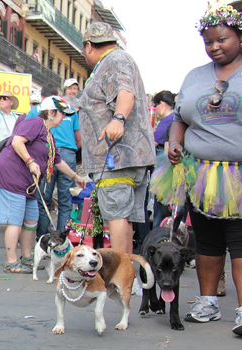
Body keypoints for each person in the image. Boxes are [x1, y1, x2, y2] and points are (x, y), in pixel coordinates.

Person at [151, 3, 242, 337]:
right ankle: (207, 303)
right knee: (207, 241)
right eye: (208, 41)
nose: (214, 46)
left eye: (222, 39)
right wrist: (174, 144)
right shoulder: (196, 75)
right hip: (199, 173)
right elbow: (180, 118)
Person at [78, 21, 155, 254]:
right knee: (123, 218)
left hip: (117, 158)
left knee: (118, 216)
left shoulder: (114, 60)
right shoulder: (116, 60)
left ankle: (118, 279)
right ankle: (125, 278)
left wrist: (118, 118)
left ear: (89, 46)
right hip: (124, 158)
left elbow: (124, 92)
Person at [0, 96, 84, 273]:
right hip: (12, 177)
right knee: (15, 221)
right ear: (51, 113)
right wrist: (30, 161)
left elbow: (57, 161)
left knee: (31, 220)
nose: (64, 117)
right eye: (62, 113)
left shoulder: (49, 135)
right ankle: (11, 261)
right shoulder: (35, 122)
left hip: (28, 183)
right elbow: (17, 141)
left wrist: (75, 176)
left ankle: (26, 257)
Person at [26, 83, 81, 237]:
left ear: (42, 98)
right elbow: (78, 139)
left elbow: (25, 133)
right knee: (65, 201)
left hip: (46, 155)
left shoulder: (36, 109)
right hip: (68, 154)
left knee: (43, 199)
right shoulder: (69, 108)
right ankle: (63, 239)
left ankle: (44, 238)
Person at [150, 90, 176, 228]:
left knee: (160, 209)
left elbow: (152, 143)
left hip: (165, 169)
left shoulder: (168, 121)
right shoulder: (174, 120)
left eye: (156, 106)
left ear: (162, 104)